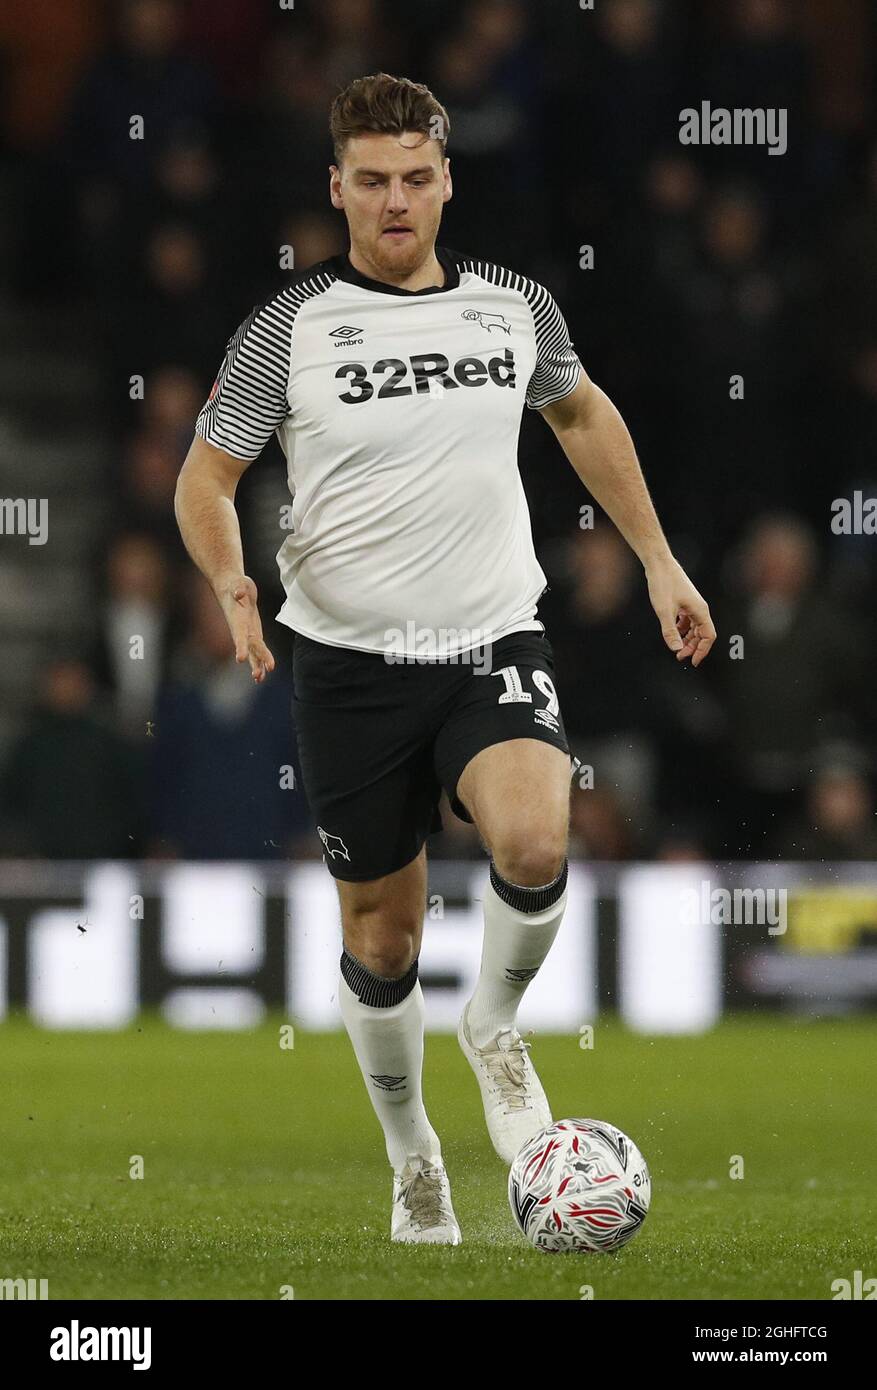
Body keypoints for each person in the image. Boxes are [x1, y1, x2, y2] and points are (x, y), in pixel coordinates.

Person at [174, 72, 715, 1246]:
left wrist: (660, 561)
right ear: (336, 188)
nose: (395, 200)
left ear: (446, 178)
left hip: (486, 637)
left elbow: (580, 417)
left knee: (533, 837)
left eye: (415, 176)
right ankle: (414, 1153)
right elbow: (206, 475)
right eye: (370, 181)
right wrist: (230, 579)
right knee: (384, 939)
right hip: (350, 667)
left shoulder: (514, 307)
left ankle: (496, 1024)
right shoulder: (291, 327)